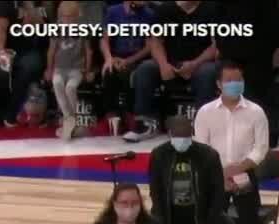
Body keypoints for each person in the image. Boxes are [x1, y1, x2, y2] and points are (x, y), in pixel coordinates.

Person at [194, 61, 271, 224]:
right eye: (229, 80)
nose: (234, 84)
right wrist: (220, 176)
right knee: (209, 222)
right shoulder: (205, 112)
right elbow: (201, 148)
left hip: (244, 175)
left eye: (238, 79)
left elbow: (261, 148)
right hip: (213, 177)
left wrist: (237, 169)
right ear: (218, 84)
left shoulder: (256, 112)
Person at [125, 0, 221, 142]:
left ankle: (201, 127)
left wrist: (194, 64)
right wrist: (164, 65)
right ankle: (145, 124)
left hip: (200, 63)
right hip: (170, 62)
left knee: (208, 72)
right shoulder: (165, 9)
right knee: (145, 69)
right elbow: (155, 41)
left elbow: (216, 46)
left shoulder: (212, 8)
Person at [216, 1, 279, 149]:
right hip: (232, 51)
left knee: (262, 93)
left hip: (259, 52)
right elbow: (218, 19)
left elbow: (274, 22)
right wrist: (221, 45)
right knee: (233, 95)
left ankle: (268, 133)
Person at [0, 0, 47, 129]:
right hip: (1, 44)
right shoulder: (6, 3)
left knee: (31, 66)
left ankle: (11, 116)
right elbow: (0, 29)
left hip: (26, 47)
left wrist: (33, 18)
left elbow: (44, 28)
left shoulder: (41, 4)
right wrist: (1, 52)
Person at [100, 0, 156, 137]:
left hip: (137, 59)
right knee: (109, 71)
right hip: (116, 57)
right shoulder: (113, 11)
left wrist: (128, 61)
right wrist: (109, 59)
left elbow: (150, 46)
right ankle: (112, 116)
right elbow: (104, 39)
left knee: (129, 75)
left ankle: (130, 114)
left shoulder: (149, 14)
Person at [45, 1, 92, 141]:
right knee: (57, 84)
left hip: (76, 69)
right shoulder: (56, 29)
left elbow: (89, 52)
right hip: (59, 68)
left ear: (77, 16)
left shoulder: (84, 29)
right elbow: (51, 51)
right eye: (64, 17)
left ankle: (73, 119)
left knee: (70, 88)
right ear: (60, 16)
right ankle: (68, 118)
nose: (67, 20)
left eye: (71, 17)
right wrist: (49, 69)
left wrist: (87, 71)